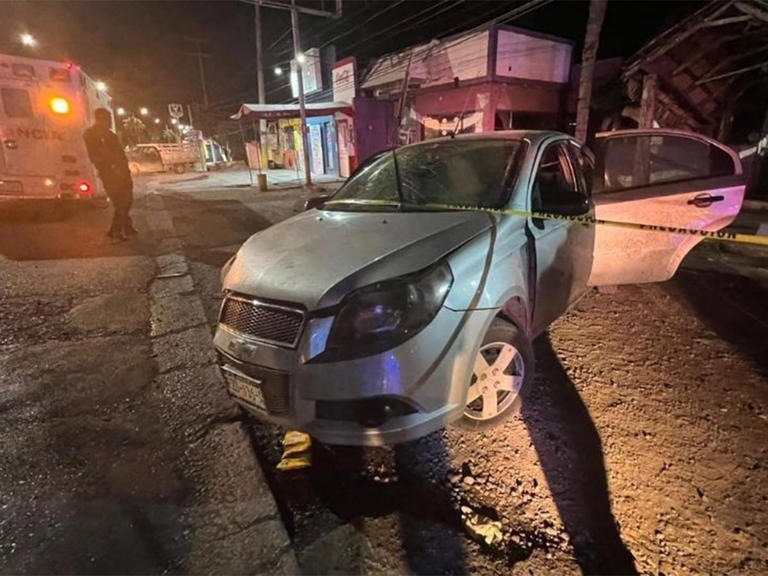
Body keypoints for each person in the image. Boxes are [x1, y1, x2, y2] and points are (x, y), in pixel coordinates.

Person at [83, 108, 136, 240]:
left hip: (119, 172)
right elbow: (99, 156)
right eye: (107, 119)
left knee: (123, 202)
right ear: (102, 119)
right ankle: (116, 230)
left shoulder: (107, 134)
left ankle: (127, 227)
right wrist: (113, 167)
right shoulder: (95, 134)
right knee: (123, 202)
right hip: (112, 173)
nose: (109, 122)